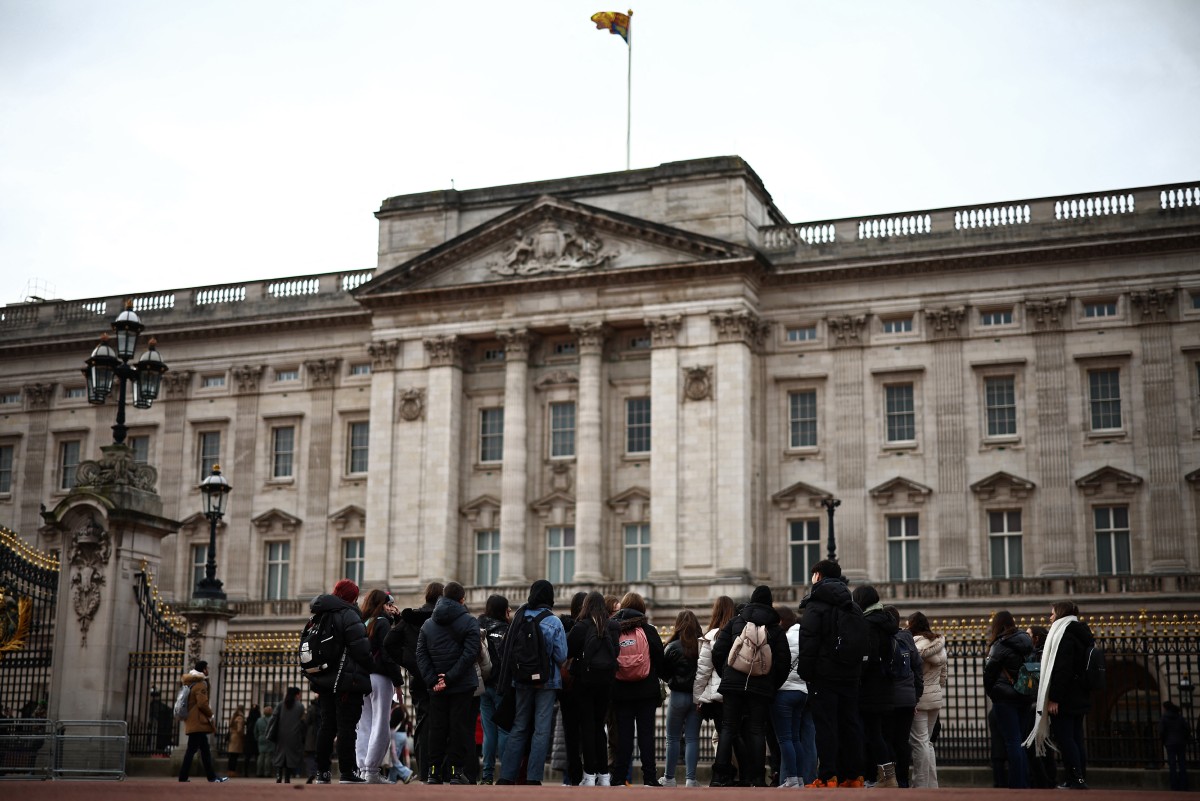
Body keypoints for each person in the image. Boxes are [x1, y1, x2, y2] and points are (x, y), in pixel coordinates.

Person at [710, 585, 791, 788]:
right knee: (756, 730)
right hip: (761, 687)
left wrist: (727, 675)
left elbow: (718, 651)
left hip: (732, 685)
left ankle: (719, 776)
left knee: (728, 728)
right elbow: (783, 662)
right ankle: (755, 777)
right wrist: (771, 684)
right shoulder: (775, 628)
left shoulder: (735, 622)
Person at [796, 559, 867, 788]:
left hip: (823, 675)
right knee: (850, 724)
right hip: (850, 674)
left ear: (818, 575)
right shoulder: (853, 606)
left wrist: (806, 673)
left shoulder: (815, 606)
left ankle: (828, 776)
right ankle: (854, 776)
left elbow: (808, 643)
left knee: (826, 726)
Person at [497, 579, 568, 786]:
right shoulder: (553, 622)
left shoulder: (519, 617)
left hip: (521, 680)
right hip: (547, 681)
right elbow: (562, 655)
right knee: (541, 729)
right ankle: (533, 777)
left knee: (519, 726)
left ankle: (506, 775)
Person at [305, 578, 375, 784]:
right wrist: (370, 665)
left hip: (325, 680)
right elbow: (362, 650)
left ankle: (323, 772)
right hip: (347, 681)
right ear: (352, 596)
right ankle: (347, 771)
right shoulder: (349, 615)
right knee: (347, 727)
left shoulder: (318, 615)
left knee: (327, 726)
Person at [1023, 600, 1095, 790]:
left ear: (1061, 613)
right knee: (1077, 738)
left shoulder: (1064, 634)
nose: (1050, 617)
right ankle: (1079, 778)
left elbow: (1062, 670)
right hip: (1079, 695)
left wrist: (1054, 697)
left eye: (1053, 613)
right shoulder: (1080, 632)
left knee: (1066, 738)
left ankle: (1075, 779)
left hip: (1066, 697)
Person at [416, 580, 481, 784]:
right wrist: (450, 677)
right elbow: (471, 653)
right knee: (458, 729)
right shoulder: (470, 621)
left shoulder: (428, 624)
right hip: (461, 684)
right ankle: (454, 772)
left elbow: (421, 654)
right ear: (462, 599)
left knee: (437, 729)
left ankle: (433, 772)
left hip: (436, 686)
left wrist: (433, 679)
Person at [386, 581, 443, 780]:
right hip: (442, 676)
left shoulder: (411, 618)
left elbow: (389, 642)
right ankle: (440, 770)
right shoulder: (443, 617)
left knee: (423, 722)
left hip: (418, 677)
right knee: (443, 722)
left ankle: (425, 770)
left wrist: (409, 663)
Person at [609, 590, 667, 787]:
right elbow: (660, 657)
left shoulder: (614, 628)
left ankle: (618, 776)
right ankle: (649, 777)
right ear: (641, 608)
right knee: (646, 735)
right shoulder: (648, 629)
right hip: (646, 691)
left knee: (624, 736)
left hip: (621, 690)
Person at [566, 590, 616, 786]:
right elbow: (616, 653)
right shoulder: (612, 626)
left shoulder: (581, 626)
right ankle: (604, 774)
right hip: (606, 682)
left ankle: (589, 773)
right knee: (600, 727)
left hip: (585, 682)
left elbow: (567, 651)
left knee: (587, 727)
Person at [356, 589, 404, 784]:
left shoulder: (363, 622)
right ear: (382, 604)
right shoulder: (383, 622)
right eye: (388, 603)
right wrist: (398, 682)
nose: (390, 607)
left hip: (363, 677)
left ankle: (362, 769)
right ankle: (372, 770)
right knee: (381, 723)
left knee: (364, 724)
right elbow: (388, 654)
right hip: (380, 677)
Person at [852, 585, 897, 788]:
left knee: (871, 734)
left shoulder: (868, 624)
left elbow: (867, 657)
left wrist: (856, 674)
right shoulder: (885, 622)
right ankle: (876, 777)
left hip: (869, 687)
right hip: (883, 685)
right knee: (874, 732)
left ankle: (887, 776)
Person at [984, 609, 1033, 788]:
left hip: (1005, 698)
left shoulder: (1000, 645)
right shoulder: (1027, 641)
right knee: (1020, 740)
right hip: (1024, 695)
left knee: (1012, 741)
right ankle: (1024, 781)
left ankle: (1017, 784)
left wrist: (993, 692)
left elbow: (989, 673)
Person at [770, 604, 815, 787]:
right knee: (796, 738)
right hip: (802, 691)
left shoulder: (784, 638)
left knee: (785, 739)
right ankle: (801, 779)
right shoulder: (804, 636)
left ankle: (791, 778)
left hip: (784, 692)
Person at [660, 609, 703, 787]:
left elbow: (663, 671)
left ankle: (669, 778)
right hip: (696, 695)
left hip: (677, 695)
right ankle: (690, 779)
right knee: (693, 738)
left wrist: (671, 679)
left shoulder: (671, 647)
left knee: (672, 738)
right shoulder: (702, 646)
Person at [881, 605, 921, 788]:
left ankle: (891, 779)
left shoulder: (884, 638)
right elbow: (917, 670)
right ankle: (903, 781)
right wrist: (916, 697)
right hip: (907, 698)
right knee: (902, 742)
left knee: (887, 739)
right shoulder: (908, 638)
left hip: (889, 698)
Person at [907, 611, 945, 788]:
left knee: (919, 742)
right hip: (935, 697)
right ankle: (932, 784)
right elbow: (943, 676)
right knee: (927, 742)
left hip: (920, 698)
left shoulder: (915, 646)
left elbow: (914, 673)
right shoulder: (939, 644)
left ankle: (920, 784)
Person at [177, 660, 229, 783]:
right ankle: (186, 777)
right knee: (194, 751)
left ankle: (210, 777)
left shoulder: (190, 683)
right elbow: (202, 704)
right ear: (203, 670)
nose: (208, 670)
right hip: (198, 723)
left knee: (204, 751)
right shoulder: (200, 684)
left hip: (194, 722)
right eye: (207, 668)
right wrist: (211, 715)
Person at [478, 594, 511, 784]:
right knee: (504, 731)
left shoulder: (479, 627)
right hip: (502, 686)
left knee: (489, 733)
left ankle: (487, 775)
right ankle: (506, 774)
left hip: (484, 684)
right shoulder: (507, 629)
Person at [558, 591, 587, 786]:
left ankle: (571, 776)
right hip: (584, 685)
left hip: (567, 686)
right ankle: (587, 774)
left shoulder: (564, 627)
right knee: (588, 731)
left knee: (569, 734)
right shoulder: (590, 628)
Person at [694, 596, 735, 731]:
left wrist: (698, 698)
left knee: (724, 734)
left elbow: (703, 670)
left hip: (718, 693)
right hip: (738, 691)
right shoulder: (739, 631)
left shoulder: (712, 636)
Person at [1025, 625, 1056, 788]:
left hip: (1036, 705)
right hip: (1039, 704)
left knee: (1036, 746)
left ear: (1036, 638)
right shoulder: (1042, 653)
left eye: (1028, 634)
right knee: (1043, 744)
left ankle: (1042, 782)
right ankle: (1048, 779)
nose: (1026, 637)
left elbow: (1031, 683)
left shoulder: (1037, 655)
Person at [274, 687, 306, 783]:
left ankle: (279, 775)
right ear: (296, 695)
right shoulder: (300, 706)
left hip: (281, 735)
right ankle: (287, 777)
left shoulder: (280, 704)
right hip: (294, 735)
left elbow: (274, 719)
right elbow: (302, 722)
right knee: (290, 758)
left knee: (280, 756)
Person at [1161, 700, 1191, 792]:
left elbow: (1161, 732)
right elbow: (1187, 729)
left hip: (1170, 743)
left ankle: (1174, 785)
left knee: (1172, 765)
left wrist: (1164, 741)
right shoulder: (1180, 717)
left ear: (1166, 708)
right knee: (1182, 764)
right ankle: (1184, 785)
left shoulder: (1164, 718)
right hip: (1181, 743)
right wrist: (1184, 739)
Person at [387, 702, 416, 784]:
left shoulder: (396, 710)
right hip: (403, 735)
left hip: (396, 735)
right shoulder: (403, 709)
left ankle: (406, 773)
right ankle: (391, 779)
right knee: (395, 758)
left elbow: (391, 723)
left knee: (394, 759)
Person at [256, 705, 276, 778]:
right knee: (268, 756)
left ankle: (259, 772)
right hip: (269, 738)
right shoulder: (273, 719)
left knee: (261, 755)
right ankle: (267, 772)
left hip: (261, 737)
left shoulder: (259, 720)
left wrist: (257, 737)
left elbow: (255, 731)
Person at [227, 705, 246, 775]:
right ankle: (233, 771)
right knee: (235, 756)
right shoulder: (240, 718)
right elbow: (239, 729)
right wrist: (242, 735)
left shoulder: (233, 717)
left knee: (231, 756)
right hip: (237, 738)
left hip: (232, 736)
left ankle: (229, 771)